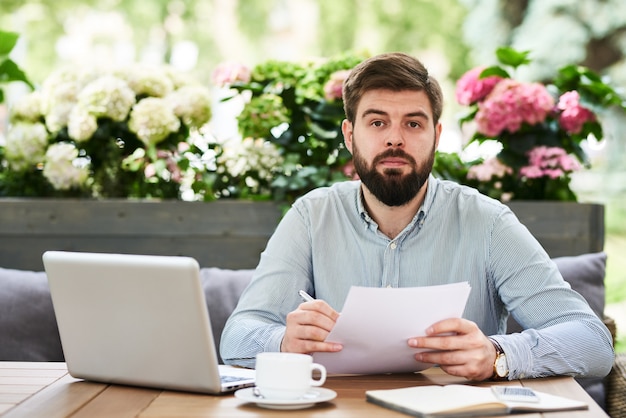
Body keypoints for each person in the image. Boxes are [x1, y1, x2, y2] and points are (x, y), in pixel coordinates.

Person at [220, 52, 614, 381]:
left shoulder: (488, 222)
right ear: (349, 135)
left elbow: (593, 342)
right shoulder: (311, 216)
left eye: (413, 123)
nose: (395, 138)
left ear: (436, 136)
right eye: (377, 123)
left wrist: (498, 354)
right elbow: (237, 337)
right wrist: (283, 342)